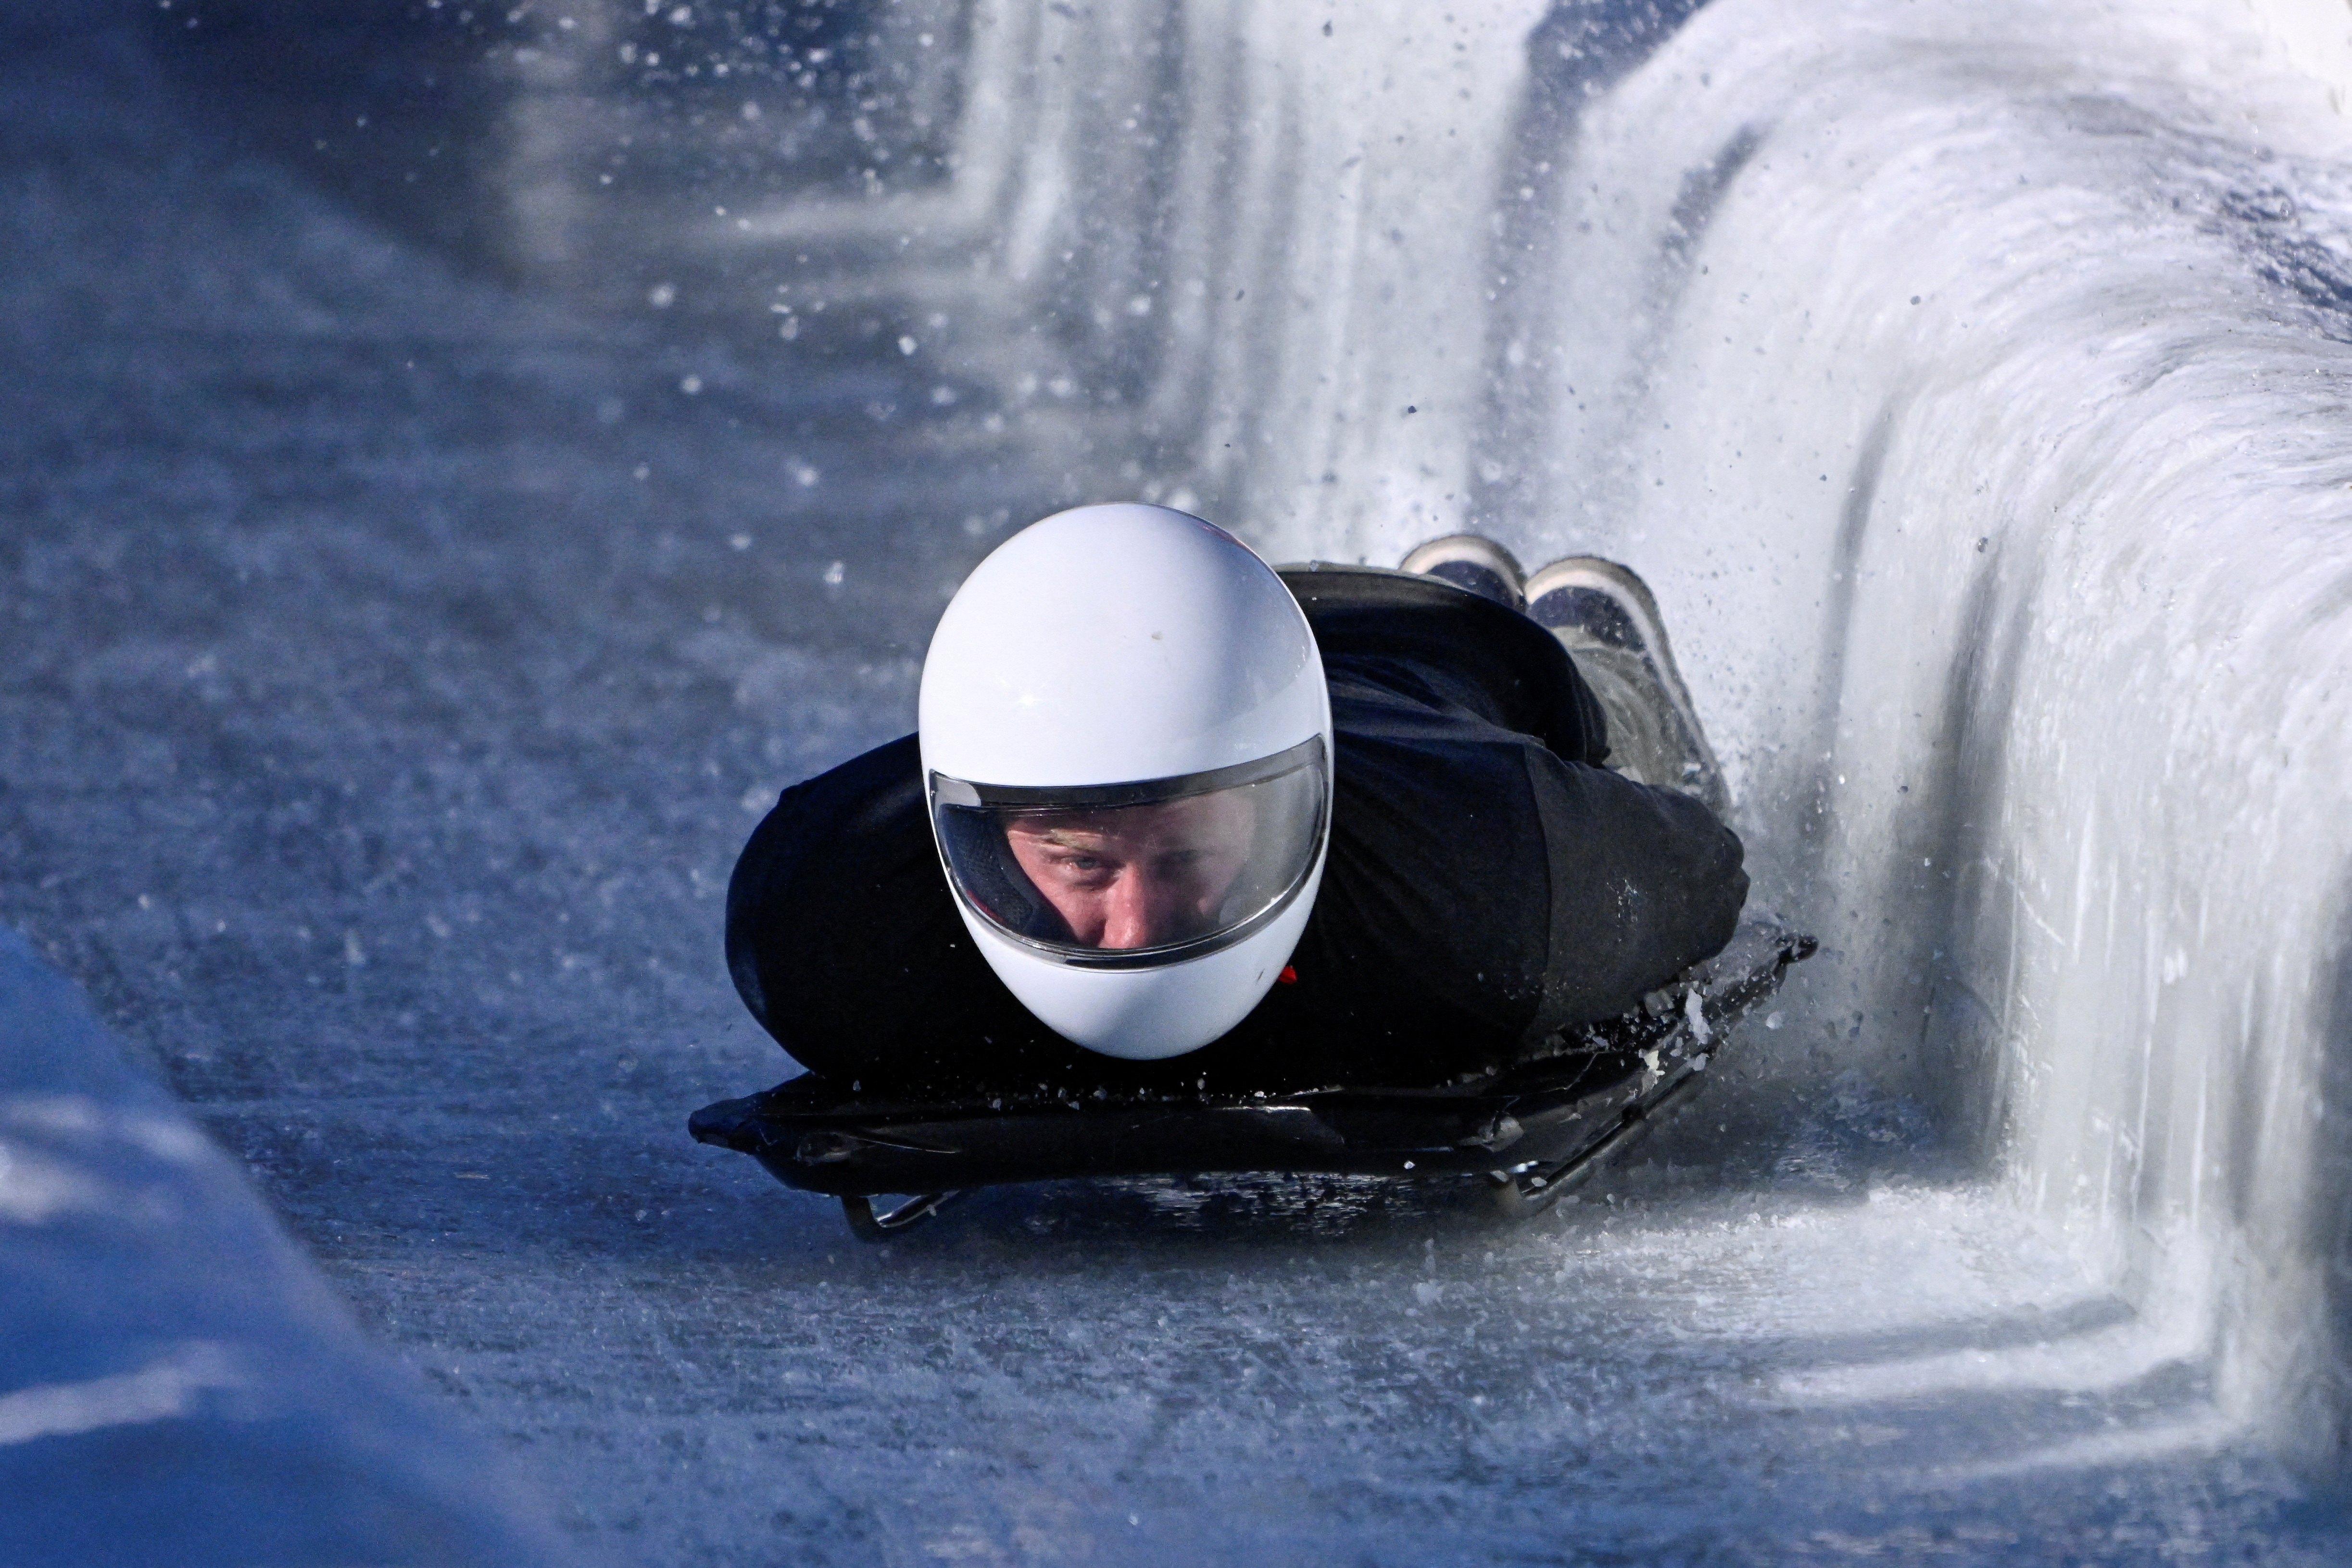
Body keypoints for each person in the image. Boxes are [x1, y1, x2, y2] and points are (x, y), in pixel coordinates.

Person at [725, 504, 1747, 1097]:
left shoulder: (1506, 882)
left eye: (1183, 855)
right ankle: (1459, 585)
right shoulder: (822, 928)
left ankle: (1578, 639)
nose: (1137, 928)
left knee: (1564, 695)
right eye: (1082, 862)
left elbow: (1708, 868)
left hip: (1439, 679)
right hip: (1251, 650)